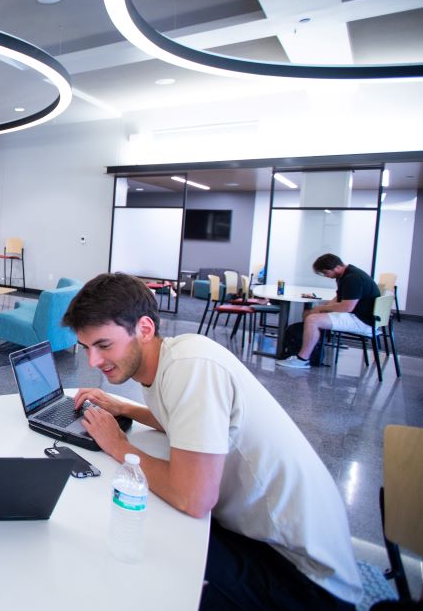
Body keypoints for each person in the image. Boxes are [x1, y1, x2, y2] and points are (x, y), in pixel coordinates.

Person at [63, 273, 360, 611]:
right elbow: (182, 422)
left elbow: (193, 498)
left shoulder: (191, 369)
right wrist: (123, 407)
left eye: (104, 346)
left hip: (305, 578)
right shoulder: (173, 357)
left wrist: (118, 444)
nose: (93, 362)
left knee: (142, 576)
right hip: (269, 541)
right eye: (86, 348)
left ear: (144, 329)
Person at [276, 253, 380, 369]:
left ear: (337, 267)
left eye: (326, 272)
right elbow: (339, 299)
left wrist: (321, 309)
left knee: (312, 319)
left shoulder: (352, 278)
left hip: (362, 321)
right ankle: (312, 351)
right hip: (359, 316)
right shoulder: (346, 275)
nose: (326, 276)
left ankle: (302, 359)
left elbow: (347, 307)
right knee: (310, 314)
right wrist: (322, 309)